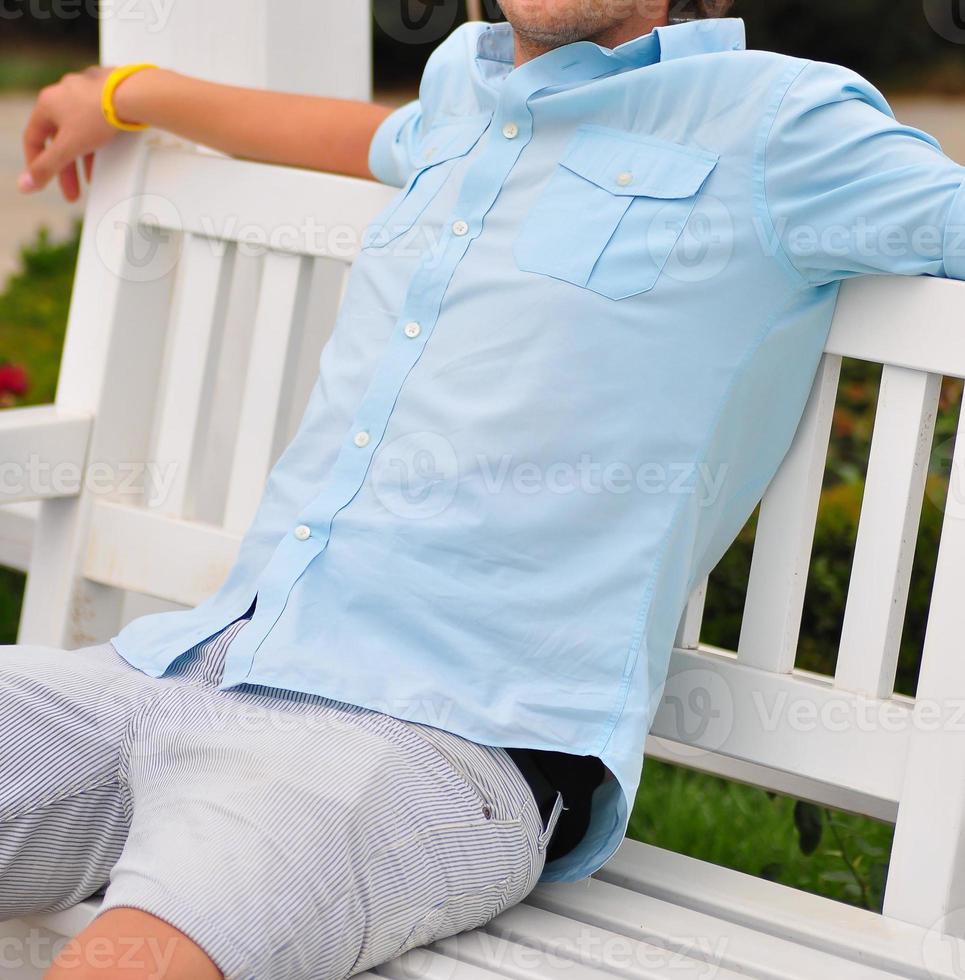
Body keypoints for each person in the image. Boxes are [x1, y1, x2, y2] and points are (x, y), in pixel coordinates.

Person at [7, 1, 965, 977]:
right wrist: (125, 95)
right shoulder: (466, 90)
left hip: (437, 739)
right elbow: (349, 134)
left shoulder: (779, 124)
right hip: (191, 661)